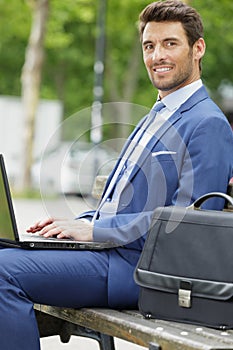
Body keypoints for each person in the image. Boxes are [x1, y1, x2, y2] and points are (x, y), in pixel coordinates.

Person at [0, 1, 233, 349]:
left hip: (137, 270)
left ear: (197, 49)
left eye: (170, 43)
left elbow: (185, 229)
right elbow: (125, 204)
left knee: (2, 273)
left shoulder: (208, 123)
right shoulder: (159, 111)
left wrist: (94, 230)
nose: (157, 56)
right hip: (107, 254)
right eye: (149, 46)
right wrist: (76, 226)